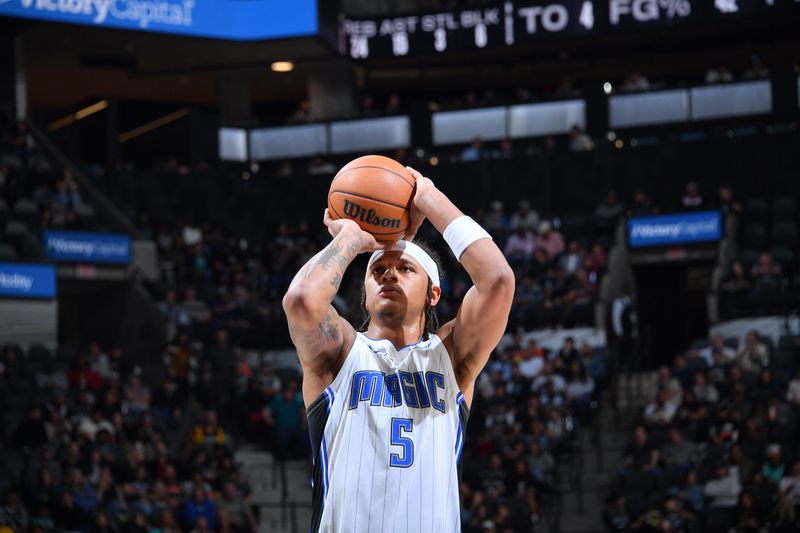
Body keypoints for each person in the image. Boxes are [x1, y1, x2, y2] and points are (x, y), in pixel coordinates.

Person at [282, 167, 514, 532]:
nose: (389, 274)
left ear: (433, 293)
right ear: (365, 296)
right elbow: (299, 301)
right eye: (378, 271)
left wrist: (429, 200)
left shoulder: (451, 357)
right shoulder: (340, 353)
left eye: (405, 268)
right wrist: (350, 241)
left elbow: (498, 280)